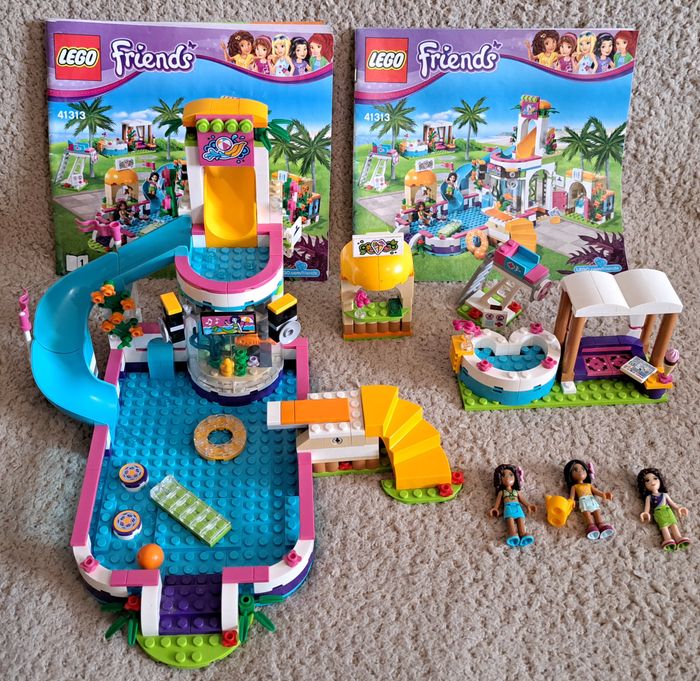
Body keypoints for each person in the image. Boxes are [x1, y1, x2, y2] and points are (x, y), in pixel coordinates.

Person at [637, 468, 690, 551]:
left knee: (673, 524)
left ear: (660, 480)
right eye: (647, 480)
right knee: (664, 526)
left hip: (668, 511)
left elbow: (672, 503)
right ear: (644, 485)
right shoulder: (649, 497)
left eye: (655, 478)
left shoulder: (664, 495)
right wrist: (646, 513)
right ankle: (668, 539)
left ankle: (678, 537)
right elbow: (647, 508)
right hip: (659, 513)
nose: (652, 482)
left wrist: (678, 508)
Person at [564, 460, 614, 541]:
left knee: (597, 511)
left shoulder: (588, 485)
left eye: (583, 469)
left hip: (591, 499)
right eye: (575, 470)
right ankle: (591, 526)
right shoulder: (574, 486)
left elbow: (596, 491)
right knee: (586, 513)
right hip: (583, 501)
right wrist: (571, 501)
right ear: (570, 474)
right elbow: (572, 497)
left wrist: (603, 494)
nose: (580, 471)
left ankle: (601, 525)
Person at [489, 465, 537, 547]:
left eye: (511, 475)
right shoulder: (502, 492)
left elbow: (522, 499)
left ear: (515, 477)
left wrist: (528, 505)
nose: (508, 477)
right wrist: (495, 508)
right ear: (499, 479)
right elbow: (498, 502)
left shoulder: (516, 491)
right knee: (510, 520)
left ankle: (523, 534)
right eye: (503, 475)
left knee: (520, 520)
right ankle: (513, 534)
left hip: (518, 507)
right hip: (508, 508)